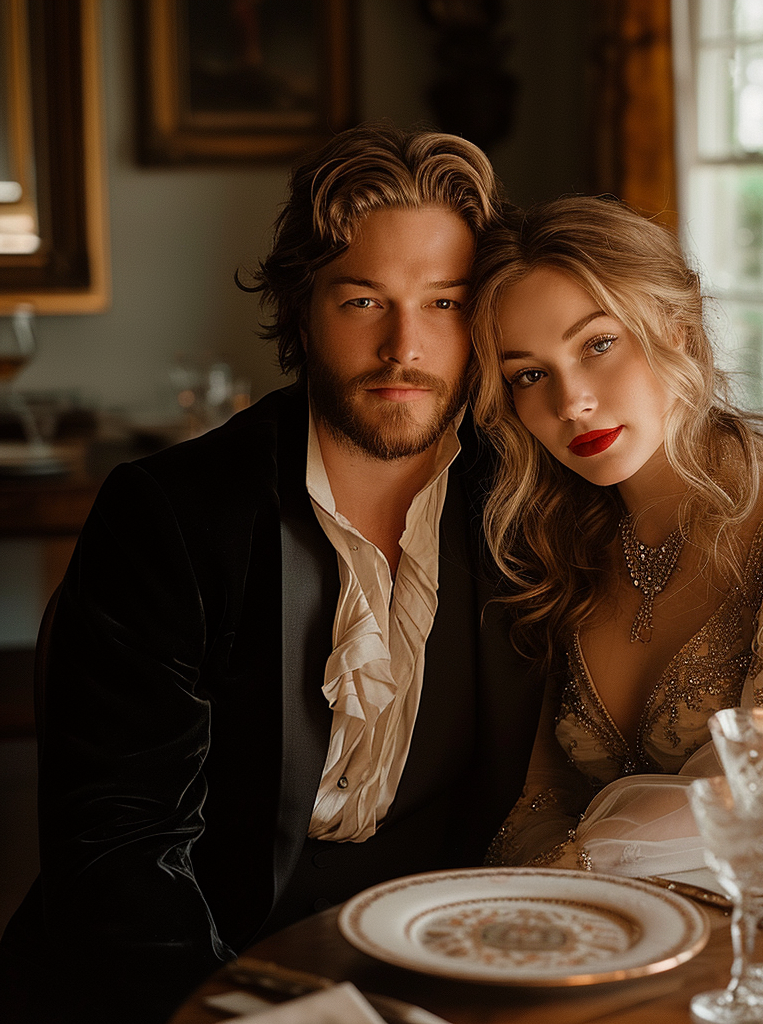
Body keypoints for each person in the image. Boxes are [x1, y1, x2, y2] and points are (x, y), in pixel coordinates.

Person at [0, 124, 543, 1023]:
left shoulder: (522, 504)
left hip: (420, 969)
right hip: (179, 978)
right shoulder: (170, 514)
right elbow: (120, 851)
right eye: (363, 301)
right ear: (300, 308)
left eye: (443, 303)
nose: (403, 346)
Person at [467, 195, 763, 875]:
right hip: (601, 942)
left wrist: (580, 864)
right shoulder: (564, 540)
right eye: (529, 375)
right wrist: (551, 886)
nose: (571, 402)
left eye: (598, 344)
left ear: (678, 330)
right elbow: (541, 791)